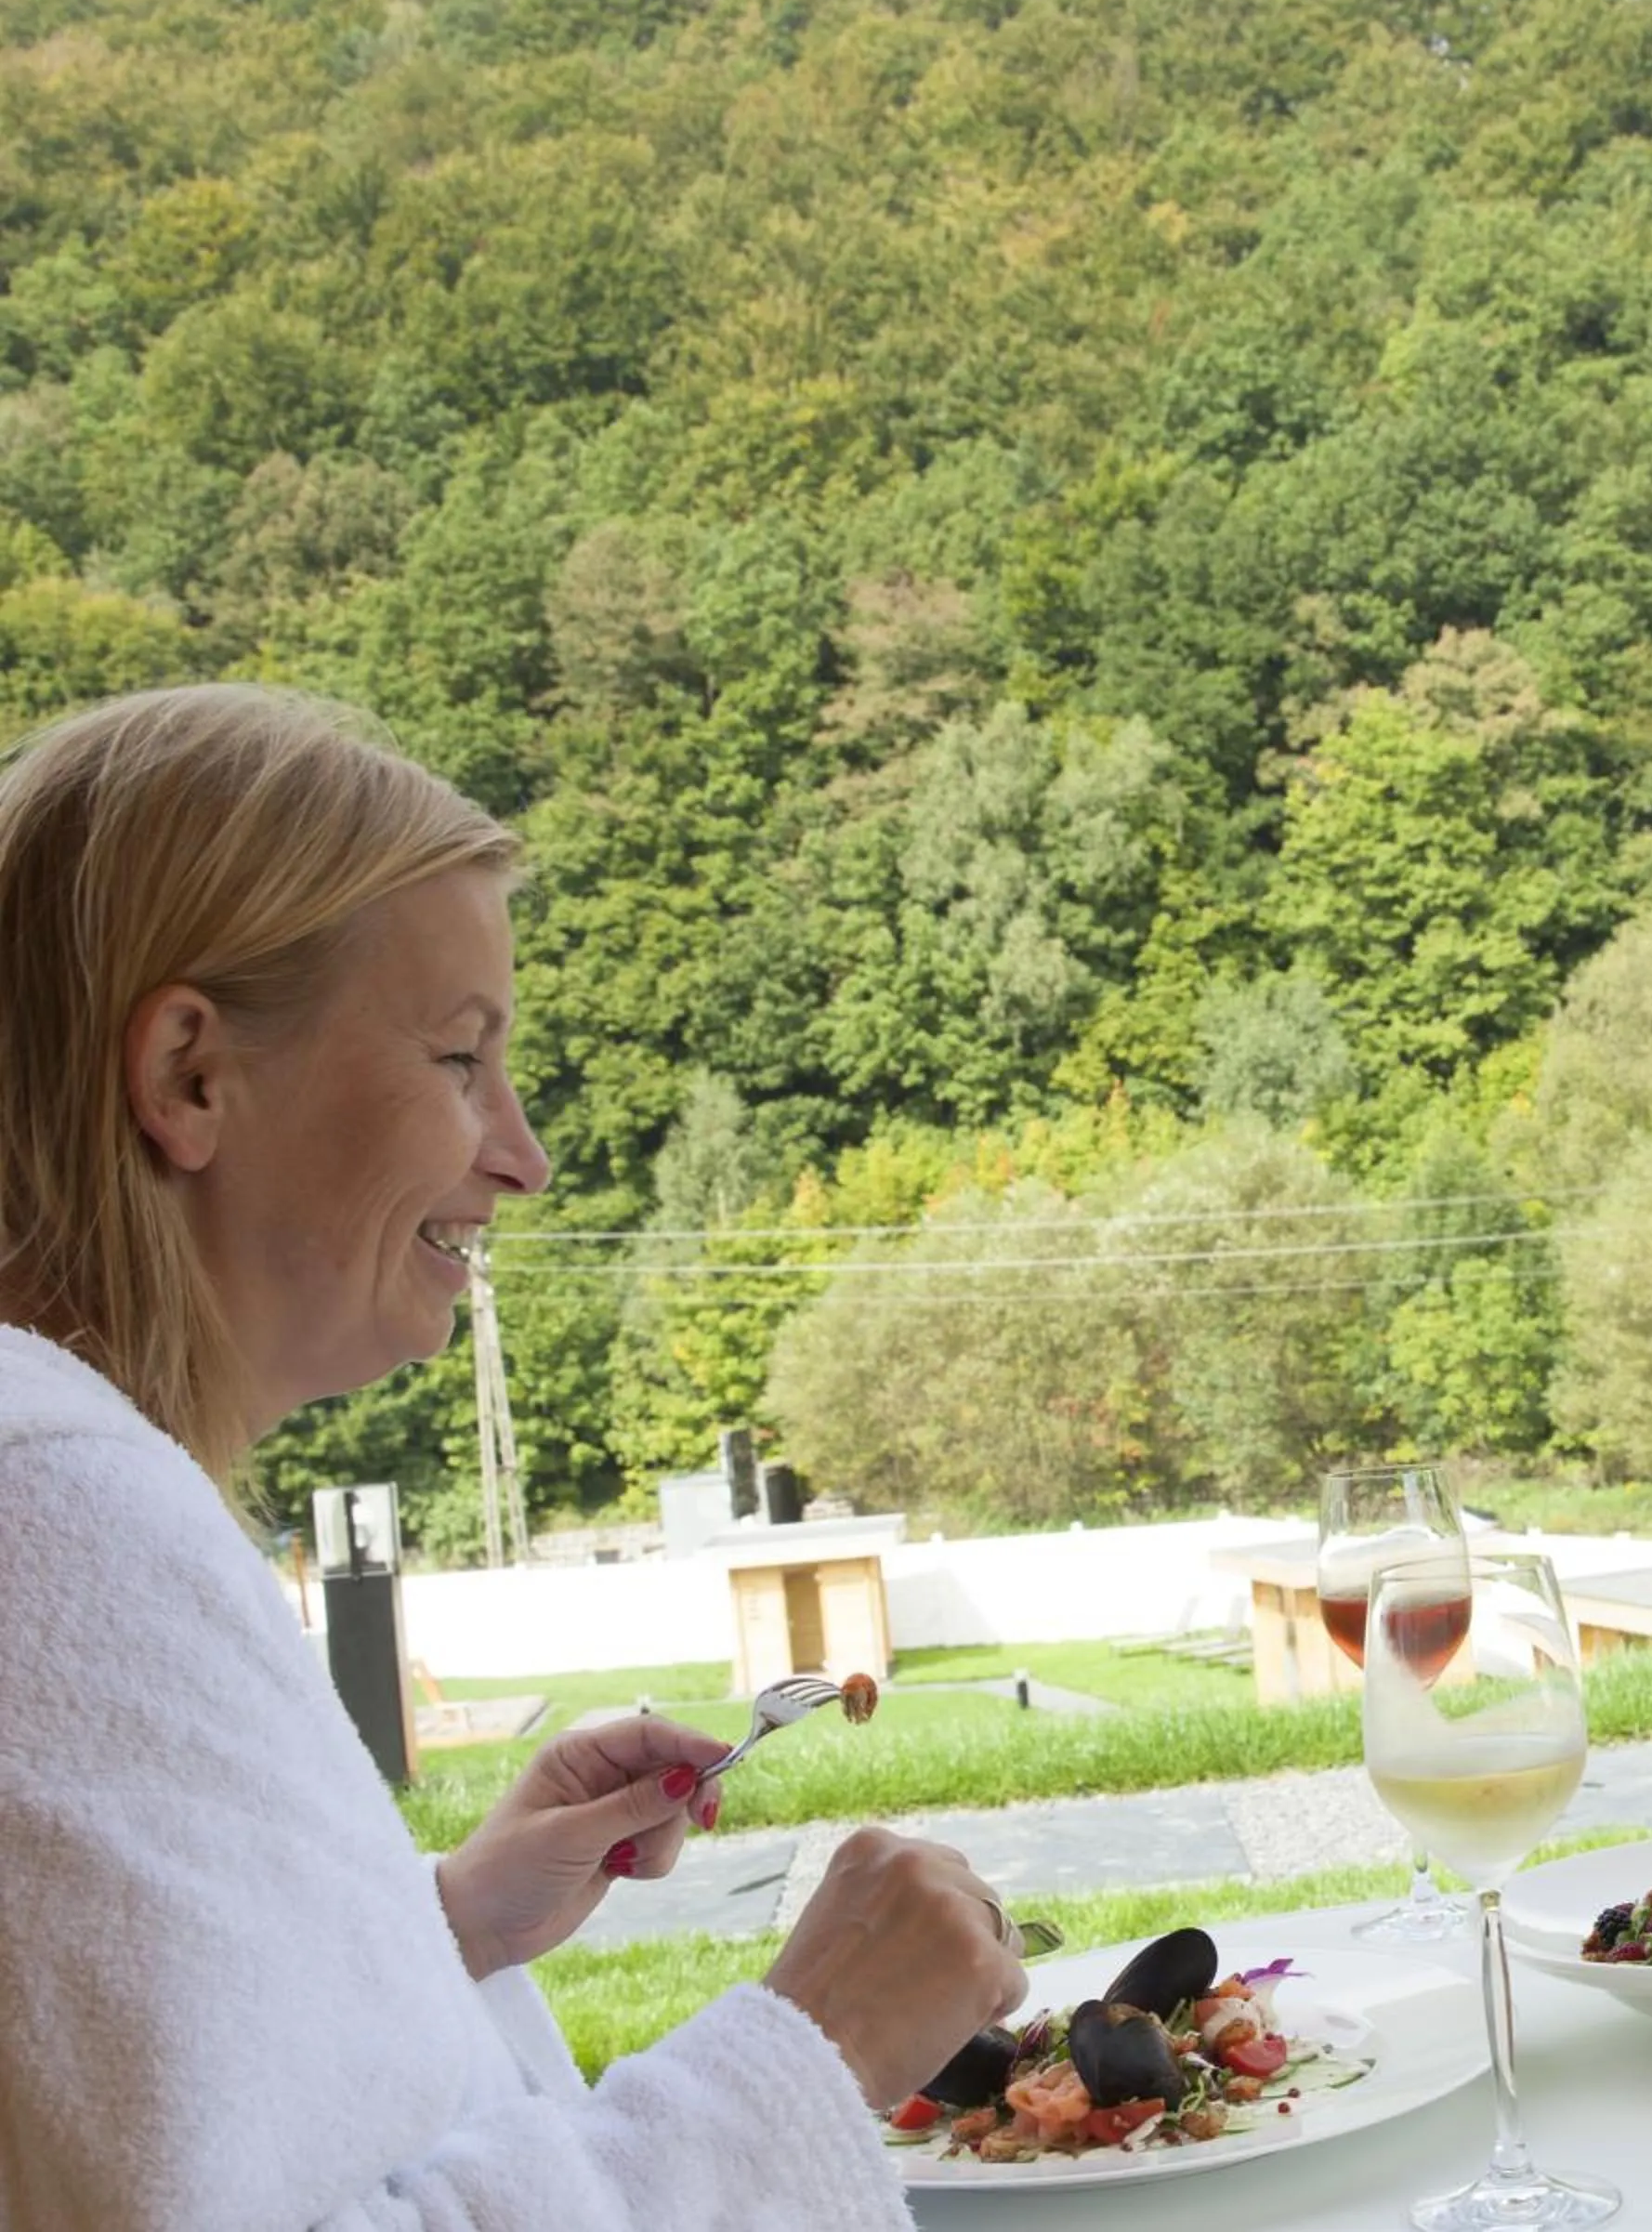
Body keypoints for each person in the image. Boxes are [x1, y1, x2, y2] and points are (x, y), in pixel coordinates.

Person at [0, 684, 1029, 2230]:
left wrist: (434, 1929)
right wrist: (815, 2047)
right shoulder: (51, 1513)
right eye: (462, 1059)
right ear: (190, 1077)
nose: (524, 1157)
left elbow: (116, 2114)